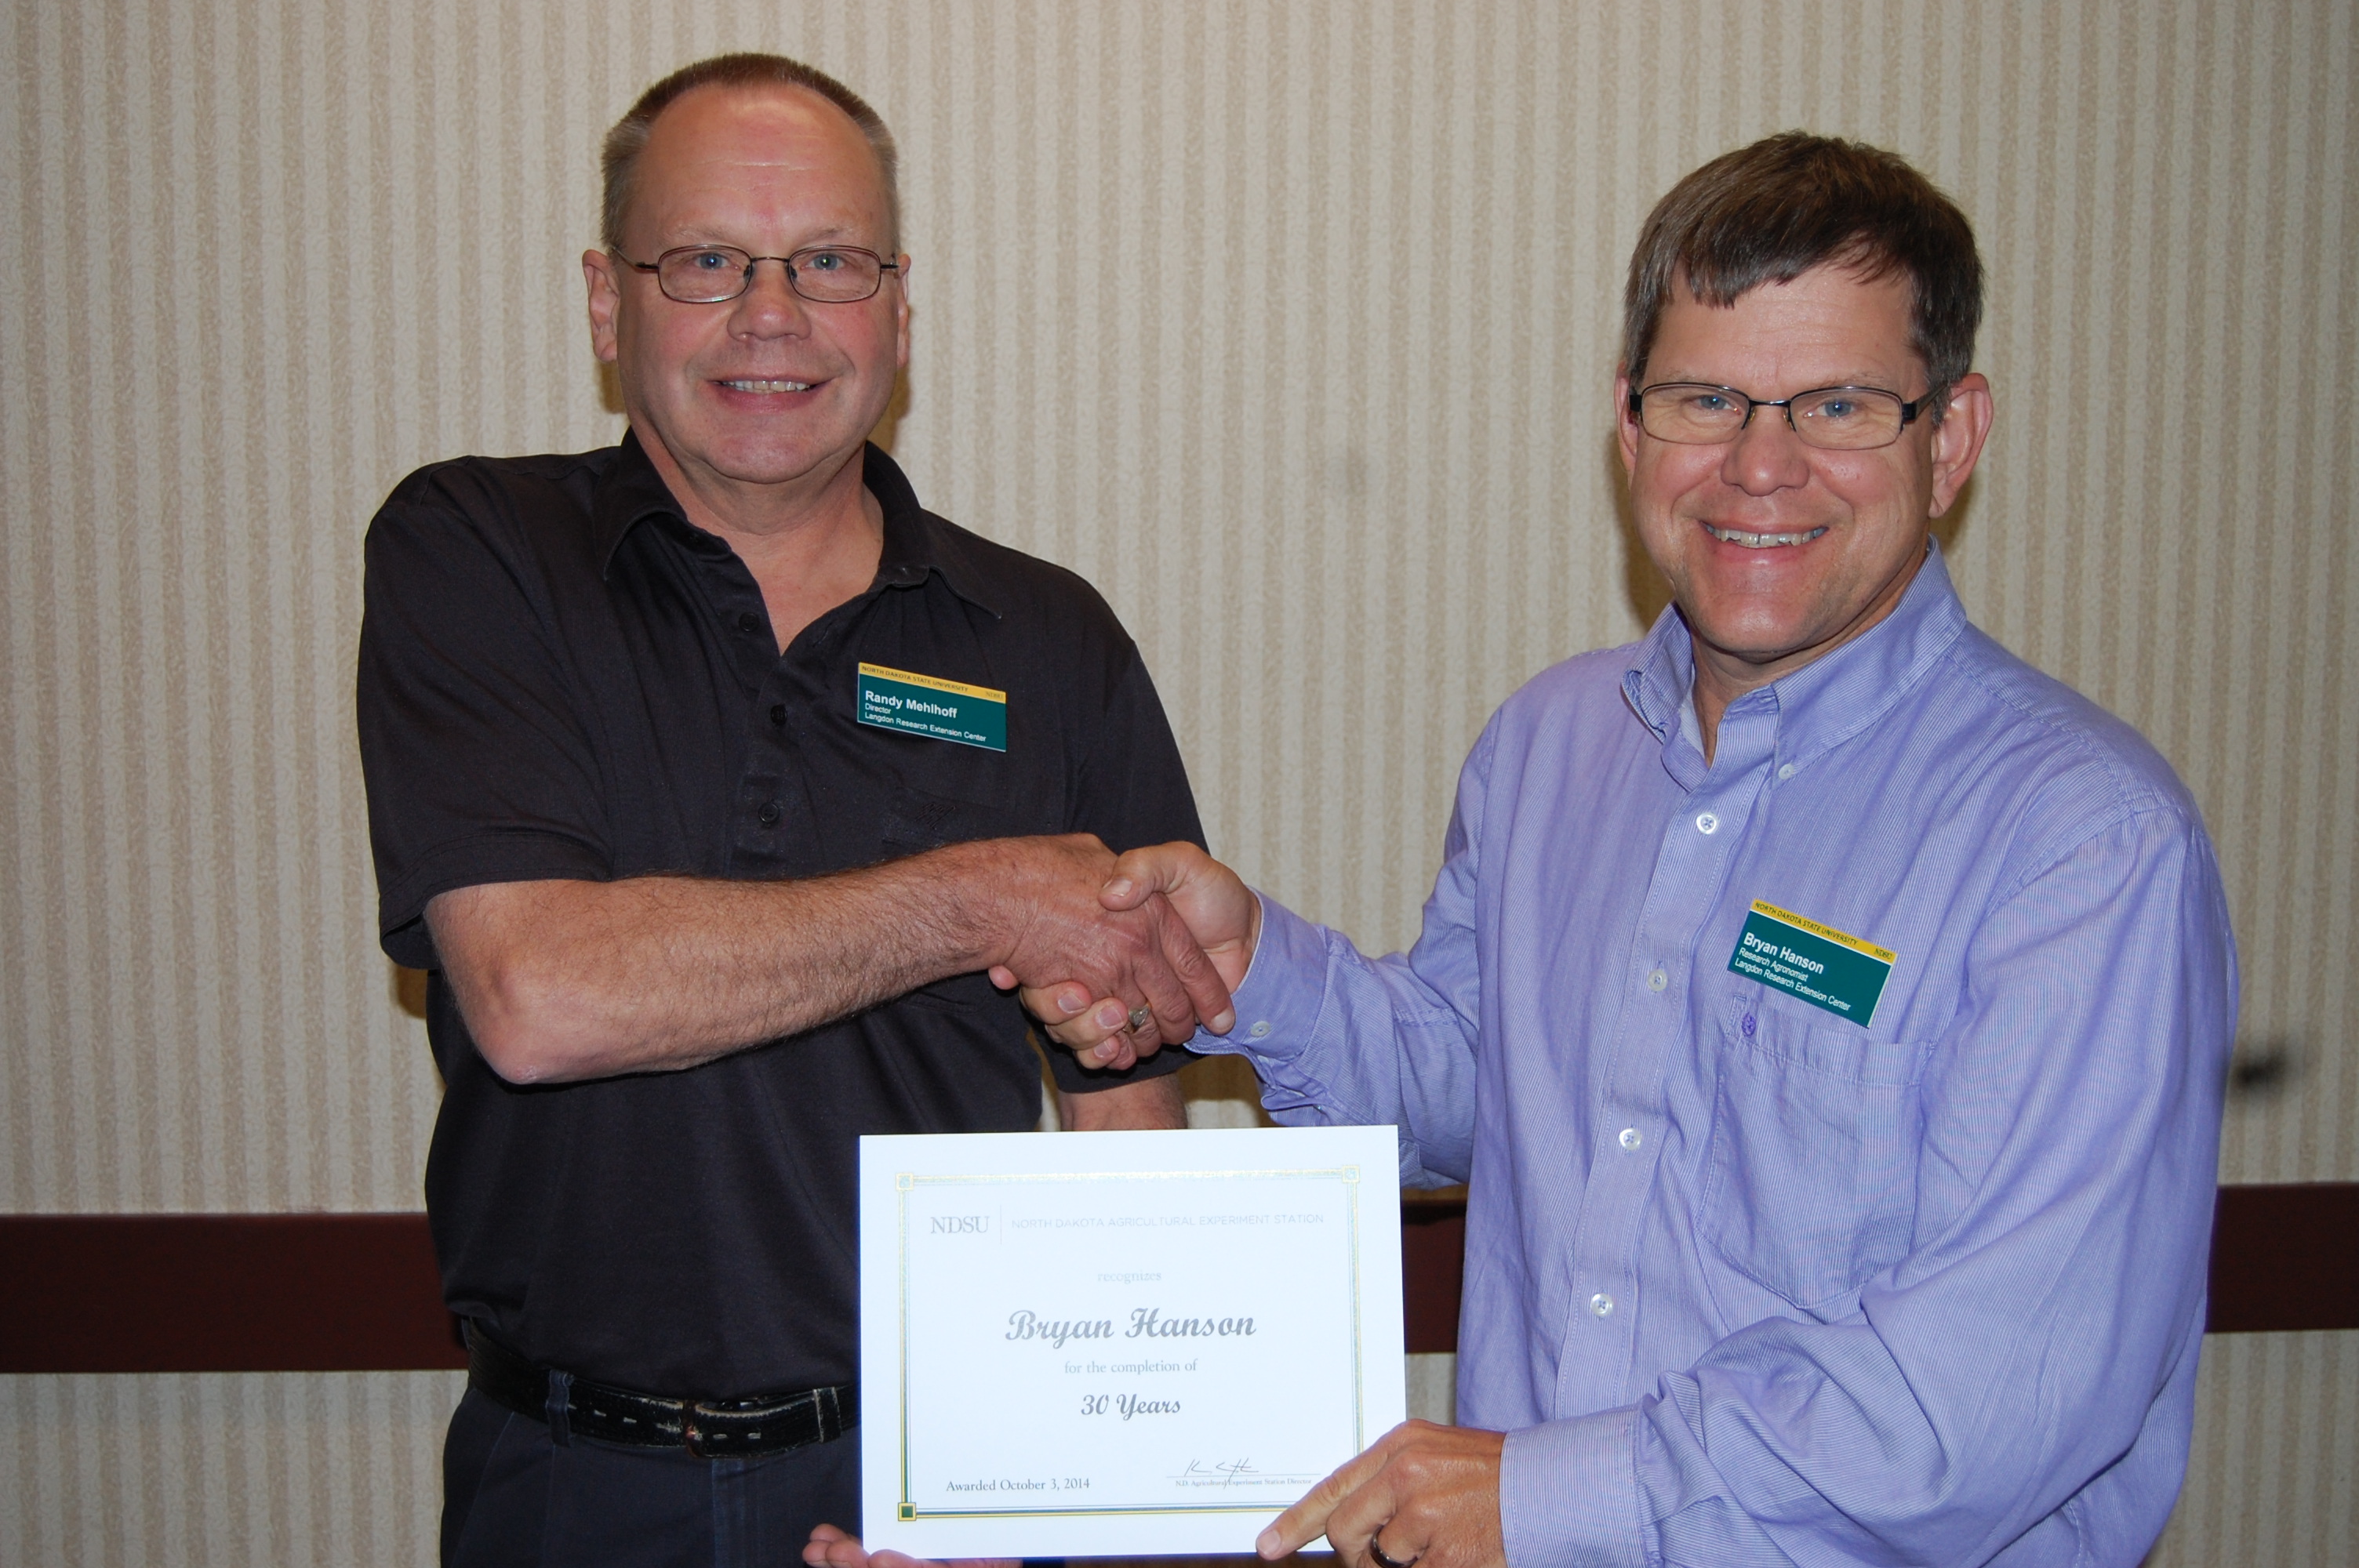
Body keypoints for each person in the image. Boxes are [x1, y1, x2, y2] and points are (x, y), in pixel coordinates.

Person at [1025, 133, 2237, 1568]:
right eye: (1705, 398)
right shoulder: (1548, 746)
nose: (1760, 465)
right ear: (1630, 428)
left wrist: (1541, 1500)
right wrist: (1251, 973)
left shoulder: (2085, 849)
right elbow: (1479, 1082)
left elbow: (1984, 1401)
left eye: (1839, 404)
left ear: (1952, 437)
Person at [354, 52, 1228, 1568]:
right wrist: (970, 901)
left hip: (935, 1481)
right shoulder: (476, 551)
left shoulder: (1048, 637)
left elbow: (1126, 1101)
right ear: (605, 300)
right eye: (705, 262)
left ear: (899, 307)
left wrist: (1052, 1490)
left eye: (830, 262)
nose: (774, 314)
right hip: (574, 1485)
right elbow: (537, 996)